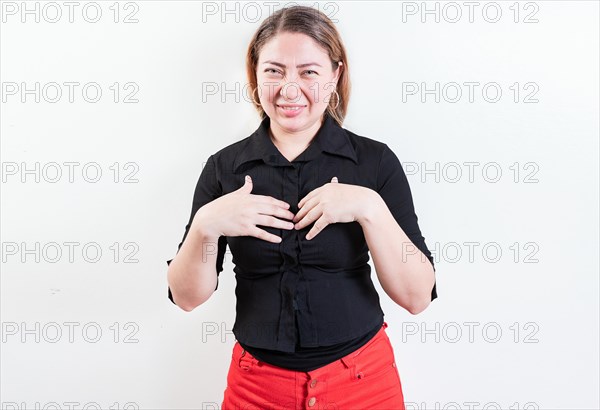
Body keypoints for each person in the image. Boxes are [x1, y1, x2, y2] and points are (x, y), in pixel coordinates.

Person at [166, 5, 437, 409]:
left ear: (334, 77)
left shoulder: (375, 163)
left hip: (364, 383)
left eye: (308, 72)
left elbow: (417, 298)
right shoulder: (223, 169)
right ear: (255, 77)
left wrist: (369, 207)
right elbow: (187, 297)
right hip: (256, 388)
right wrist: (206, 224)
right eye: (274, 71)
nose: (289, 89)